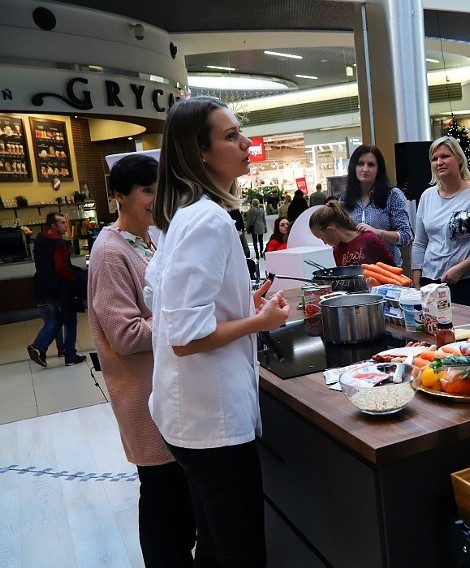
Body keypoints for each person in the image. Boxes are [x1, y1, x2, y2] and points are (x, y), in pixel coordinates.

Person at [145, 96, 290, 566]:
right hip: (212, 424)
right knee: (239, 551)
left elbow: (174, 306)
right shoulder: (207, 218)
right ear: (200, 152)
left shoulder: (187, 215)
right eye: (230, 136)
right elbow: (185, 337)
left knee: (213, 542)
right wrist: (261, 321)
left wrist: (239, 303)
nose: (245, 142)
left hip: (188, 418)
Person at [88, 154, 195, 566]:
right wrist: (184, 323)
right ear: (119, 197)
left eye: (159, 188)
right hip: (142, 395)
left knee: (176, 495)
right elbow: (125, 333)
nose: (157, 198)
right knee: (161, 495)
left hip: (166, 389)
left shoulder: (148, 239)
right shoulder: (110, 253)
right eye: (147, 190)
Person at [411, 136, 470, 309]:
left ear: (459, 158)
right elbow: (419, 243)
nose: (439, 162)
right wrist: (416, 280)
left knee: (465, 333)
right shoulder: (427, 196)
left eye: (445, 156)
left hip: (467, 282)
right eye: (434, 159)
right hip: (431, 282)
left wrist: (460, 269)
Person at [27, 212, 87, 367]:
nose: (65, 225)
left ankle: (39, 346)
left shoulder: (39, 240)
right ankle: (70, 356)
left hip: (46, 287)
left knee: (57, 318)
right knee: (70, 320)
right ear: (53, 226)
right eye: (62, 223)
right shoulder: (58, 244)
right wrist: (74, 278)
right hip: (62, 288)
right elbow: (61, 268)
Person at [342, 144, 412, 266]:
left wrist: (378, 232)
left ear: (379, 169)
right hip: (356, 271)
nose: (365, 169)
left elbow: (406, 236)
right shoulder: (344, 199)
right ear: (353, 167)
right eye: (360, 163)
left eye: (371, 164)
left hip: (387, 271)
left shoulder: (392, 195)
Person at [309, 200, 396, 267]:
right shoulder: (337, 251)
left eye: (322, 238)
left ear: (330, 230)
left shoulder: (368, 239)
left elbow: (393, 269)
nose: (324, 243)